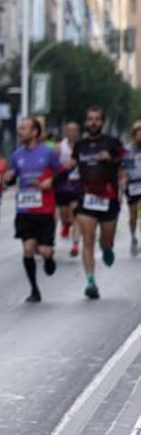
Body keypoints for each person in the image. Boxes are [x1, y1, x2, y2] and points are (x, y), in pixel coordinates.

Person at [70, 105, 124, 299]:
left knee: (106, 239)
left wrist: (111, 159)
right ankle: (90, 280)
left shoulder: (112, 142)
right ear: (86, 122)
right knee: (88, 238)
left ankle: (107, 247)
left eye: (97, 119)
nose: (93, 122)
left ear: (102, 122)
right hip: (87, 198)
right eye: (90, 119)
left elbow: (124, 161)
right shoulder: (80, 145)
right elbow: (74, 164)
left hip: (108, 198)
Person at [4, 117, 59, 302]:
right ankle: (34, 290)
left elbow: (61, 174)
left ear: (35, 132)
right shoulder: (16, 154)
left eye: (24, 128)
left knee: (43, 250)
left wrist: (50, 181)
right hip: (25, 209)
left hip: (44, 210)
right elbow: (12, 177)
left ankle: (49, 257)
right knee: (28, 248)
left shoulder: (48, 153)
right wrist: (9, 177)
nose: (20, 131)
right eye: (19, 128)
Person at [55, 120, 81, 257]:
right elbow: (53, 165)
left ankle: (75, 245)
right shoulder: (60, 147)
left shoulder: (82, 147)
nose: (72, 133)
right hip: (63, 185)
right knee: (64, 214)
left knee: (76, 214)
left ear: (78, 132)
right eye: (69, 130)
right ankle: (66, 224)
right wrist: (63, 167)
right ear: (66, 132)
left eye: (74, 130)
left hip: (77, 184)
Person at [124, 121, 141, 257]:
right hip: (132, 184)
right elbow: (123, 169)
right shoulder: (127, 150)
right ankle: (133, 236)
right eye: (138, 131)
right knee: (133, 215)